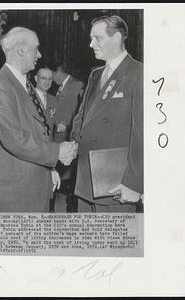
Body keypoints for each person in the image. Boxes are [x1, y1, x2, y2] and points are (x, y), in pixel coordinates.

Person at [0, 27, 77, 212]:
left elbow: (38, 129)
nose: (40, 54)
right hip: (13, 192)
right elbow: (14, 138)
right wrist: (57, 151)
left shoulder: (25, 84)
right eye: (36, 48)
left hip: (33, 184)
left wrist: (49, 169)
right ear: (21, 50)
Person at [71, 15, 143, 212]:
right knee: (87, 240)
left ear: (117, 37)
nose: (91, 43)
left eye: (97, 38)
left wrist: (134, 183)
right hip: (86, 179)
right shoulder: (95, 74)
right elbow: (82, 116)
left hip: (117, 183)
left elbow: (142, 134)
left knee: (115, 242)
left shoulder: (139, 73)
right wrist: (72, 145)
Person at [51, 63, 84, 142]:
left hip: (67, 131)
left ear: (58, 73)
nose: (51, 79)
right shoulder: (61, 86)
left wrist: (65, 123)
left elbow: (80, 109)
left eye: (51, 76)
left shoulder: (77, 84)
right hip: (57, 129)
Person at [33, 66, 57, 133]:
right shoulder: (28, 97)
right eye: (43, 78)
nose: (47, 82)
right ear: (36, 78)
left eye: (50, 79)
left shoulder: (54, 100)